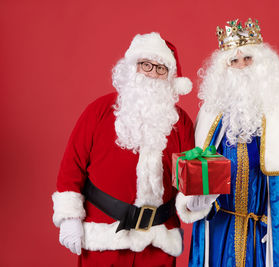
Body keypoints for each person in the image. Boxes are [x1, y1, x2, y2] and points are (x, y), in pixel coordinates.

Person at [174, 19, 279, 267]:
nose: (241, 67)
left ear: (263, 65)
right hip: (218, 231)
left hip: (263, 236)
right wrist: (196, 200)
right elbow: (197, 178)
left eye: (248, 59)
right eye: (233, 62)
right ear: (223, 70)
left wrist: (278, 230)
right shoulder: (210, 114)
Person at [51, 32, 194, 267]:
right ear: (131, 68)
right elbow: (72, 165)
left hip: (157, 244)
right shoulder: (99, 111)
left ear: (170, 77)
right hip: (104, 240)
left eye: (161, 69)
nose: (152, 74)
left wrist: (194, 201)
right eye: (146, 65)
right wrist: (69, 218)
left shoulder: (181, 122)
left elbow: (189, 177)